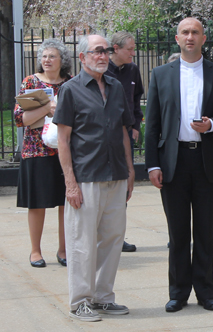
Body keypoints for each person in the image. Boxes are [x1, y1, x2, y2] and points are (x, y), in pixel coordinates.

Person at [145, 18, 213, 313]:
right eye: (185, 32)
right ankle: (178, 293)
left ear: (203, 38)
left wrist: (212, 124)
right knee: (177, 234)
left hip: (206, 160)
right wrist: (152, 165)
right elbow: (153, 125)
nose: (190, 37)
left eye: (195, 32)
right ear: (177, 38)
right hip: (172, 162)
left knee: (204, 232)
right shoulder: (161, 75)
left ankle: (205, 291)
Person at [54, 34, 135, 322]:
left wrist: (130, 169)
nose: (103, 56)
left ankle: (103, 297)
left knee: (112, 239)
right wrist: (70, 183)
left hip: (115, 174)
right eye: (97, 51)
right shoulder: (71, 90)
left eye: (106, 51)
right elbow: (63, 141)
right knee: (81, 242)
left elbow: (124, 131)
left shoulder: (115, 87)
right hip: (85, 177)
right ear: (82, 57)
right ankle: (80, 301)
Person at [14, 38, 72, 268]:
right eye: (44, 56)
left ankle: (64, 250)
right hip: (35, 151)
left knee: (66, 203)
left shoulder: (70, 84)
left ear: (62, 61)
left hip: (65, 150)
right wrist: (46, 108)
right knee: (36, 203)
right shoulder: (30, 83)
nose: (46, 60)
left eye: (52, 56)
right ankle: (35, 251)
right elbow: (21, 120)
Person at [105, 31, 144, 253]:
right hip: (105, 134)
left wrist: (136, 124)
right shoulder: (103, 70)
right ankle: (105, 236)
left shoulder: (132, 69)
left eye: (134, 48)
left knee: (124, 185)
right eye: (129, 49)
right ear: (115, 48)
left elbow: (136, 98)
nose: (133, 53)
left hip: (126, 133)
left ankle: (118, 236)